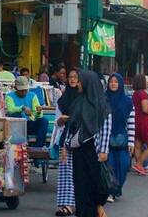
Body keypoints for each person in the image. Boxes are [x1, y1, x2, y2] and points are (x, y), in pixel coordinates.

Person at [64, 70, 112, 217]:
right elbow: (72, 126)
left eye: (80, 81)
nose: (77, 84)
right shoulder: (78, 102)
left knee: (95, 186)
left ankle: (96, 209)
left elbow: (106, 127)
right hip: (79, 150)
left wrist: (103, 150)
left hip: (95, 150)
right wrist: (66, 145)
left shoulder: (101, 104)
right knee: (80, 185)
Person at [54, 69, 81, 215]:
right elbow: (57, 124)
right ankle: (64, 203)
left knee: (77, 172)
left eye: (75, 77)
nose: (72, 79)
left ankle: (73, 204)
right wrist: (61, 120)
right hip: (65, 139)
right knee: (65, 172)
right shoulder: (62, 100)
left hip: (81, 140)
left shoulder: (84, 98)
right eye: (70, 77)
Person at [105, 73, 133, 201]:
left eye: (116, 82)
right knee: (109, 165)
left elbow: (131, 122)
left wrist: (131, 142)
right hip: (106, 139)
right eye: (111, 81)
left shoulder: (127, 101)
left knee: (123, 164)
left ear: (120, 84)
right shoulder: (103, 99)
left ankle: (116, 188)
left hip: (122, 138)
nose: (113, 84)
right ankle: (110, 191)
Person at [130, 75, 148, 175]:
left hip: (135, 122)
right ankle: (139, 163)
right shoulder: (143, 94)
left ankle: (140, 167)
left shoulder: (134, 94)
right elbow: (145, 109)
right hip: (143, 122)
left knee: (138, 145)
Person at [5, 76, 47, 147]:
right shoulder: (9, 96)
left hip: (29, 123)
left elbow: (37, 116)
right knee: (16, 115)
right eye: (21, 90)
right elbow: (10, 109)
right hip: (17, 126)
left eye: (25, 90)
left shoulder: (32, 95)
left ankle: (38, 147)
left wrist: (38, 113)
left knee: (43, 121)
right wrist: (22, 108)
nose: (24, 92)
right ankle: (23, 145)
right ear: (15, 88)